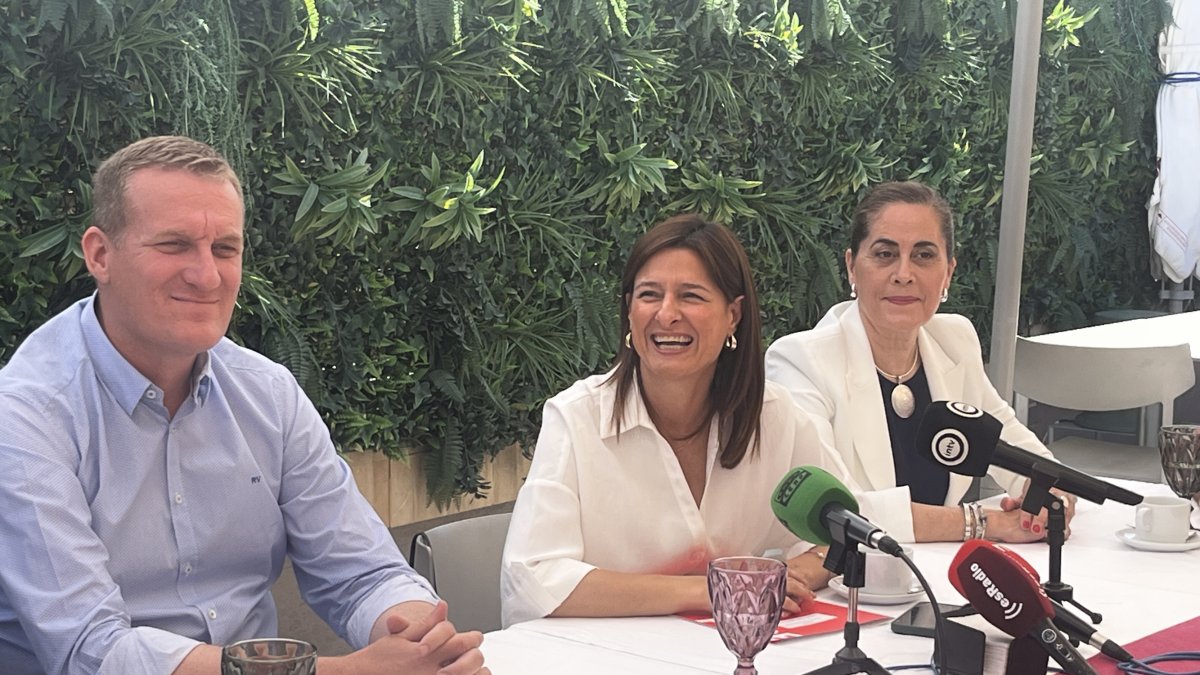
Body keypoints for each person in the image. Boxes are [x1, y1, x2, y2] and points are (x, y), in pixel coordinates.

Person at [0, 136, 488, 675]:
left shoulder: (267, 393)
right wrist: (347, 672)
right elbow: (91, 650)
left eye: (225, 249)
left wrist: (415, 635)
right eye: (174, 245)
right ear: (100, 254)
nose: (207, 276)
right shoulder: (26, 415)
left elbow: (362, 572)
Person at [500, 214, 843, 628]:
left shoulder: (774, 414)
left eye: (691, 296)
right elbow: (531, 578)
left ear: (734, 315)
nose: (666, 314)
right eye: (648, 295)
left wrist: (791, 576)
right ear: (629, 311)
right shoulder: (576, 418)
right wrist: (712, 590)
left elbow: (840, 533)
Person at [765, 181, 1076, 544]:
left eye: (924, 255)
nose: (903, 273)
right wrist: (984, 523)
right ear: (852, 266)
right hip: (842, 581)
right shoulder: (800, 361)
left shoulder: (955, 340)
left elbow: (1009, 442)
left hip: (937, 573)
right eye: (884, 254)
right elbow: (839, 509)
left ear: (948, 272)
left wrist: (1046, 496)